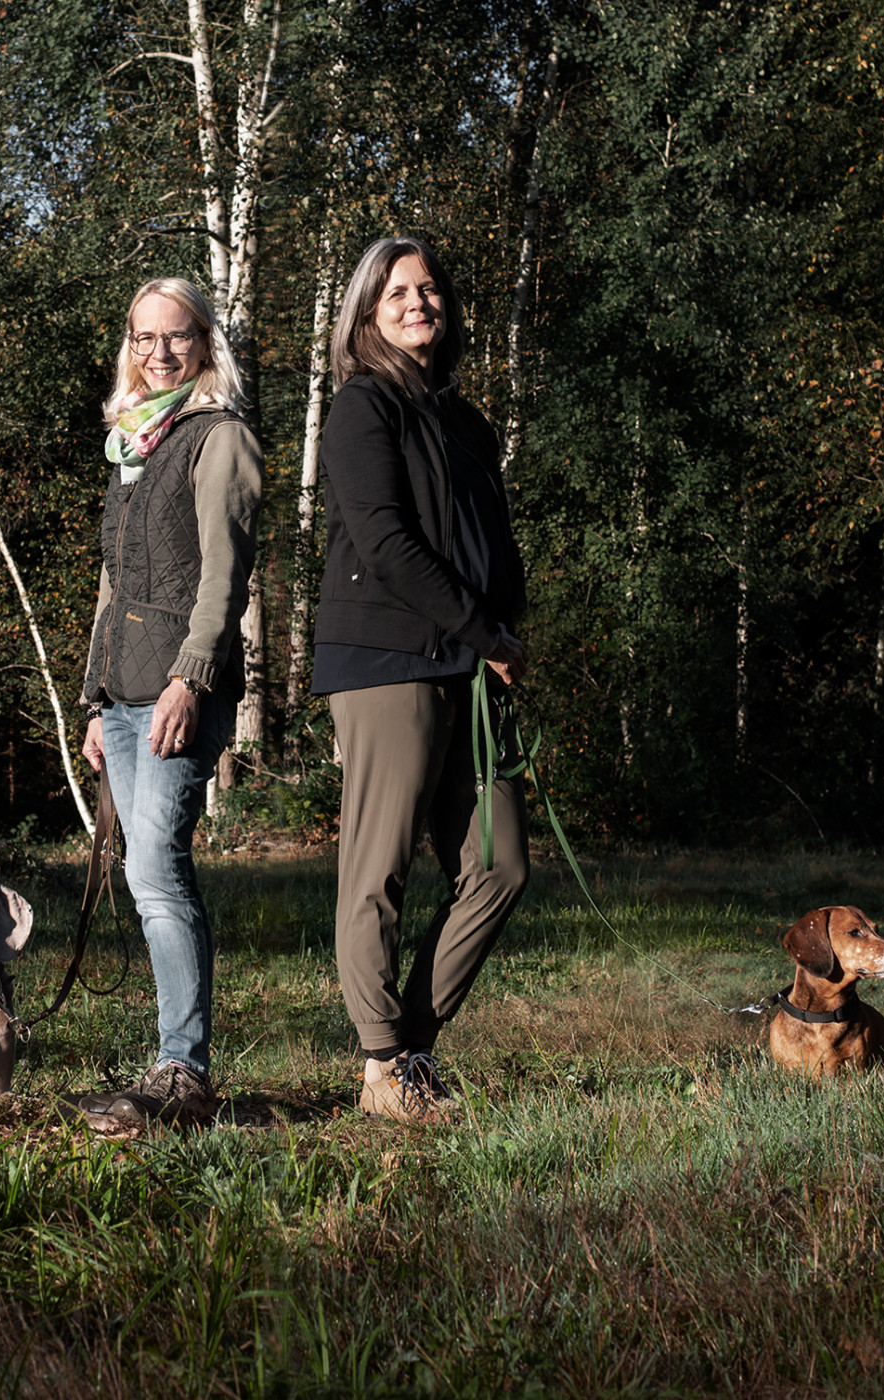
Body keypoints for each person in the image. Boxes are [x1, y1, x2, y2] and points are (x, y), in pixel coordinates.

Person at [311, 236, 529, 1123]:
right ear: (367, 311)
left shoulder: (465, 420)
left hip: (471, 662)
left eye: (429, 287)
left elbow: (490, 542)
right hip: (387, 661)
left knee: (500, 865)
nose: (417, 302)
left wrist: (504, 632)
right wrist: (483, 631)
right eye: (396, 291)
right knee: (379, 870)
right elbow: (387, 544)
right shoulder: (362, 405)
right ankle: (383, 1063)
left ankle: (409, 1047)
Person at [69, 277, 262, 1128]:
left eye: (176, 336)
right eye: (144, 338)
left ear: (204, 343)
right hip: (121, 690)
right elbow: (112, 583)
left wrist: (191, 677)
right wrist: (92, 698)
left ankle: (184, 1069)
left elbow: (225, 576)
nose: (159, 352)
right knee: (143, 869)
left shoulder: (220, 438)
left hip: (182, 686)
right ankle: (174, 1061)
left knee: (155, 867)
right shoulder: (132, 442)